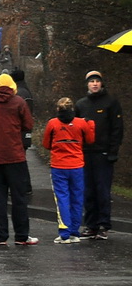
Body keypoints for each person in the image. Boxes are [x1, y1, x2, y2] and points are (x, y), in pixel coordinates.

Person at [0, 74, 38, 246]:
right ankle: (21, 236)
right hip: (15, 157)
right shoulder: (19, 102)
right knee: (19, 198)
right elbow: (28, 125)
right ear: (13, 87)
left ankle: (0, 237)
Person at [75, 71, 124, 240]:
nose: (95, 84)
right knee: (88, 191)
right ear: (87, 84)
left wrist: (113, 151)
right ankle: (91, 225)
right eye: (92, 81)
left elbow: (117, 128)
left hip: (103, 154)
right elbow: (75, 129)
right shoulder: (81, 104)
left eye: (97, 81)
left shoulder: (111, 103)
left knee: (102, 191)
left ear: (102, 83)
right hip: (85, 153)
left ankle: (104, 225)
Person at [42, 97, 95, 244]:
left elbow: (46, 144)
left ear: (58, 109)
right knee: (77, 198)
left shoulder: (53, 123)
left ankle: (64, 233)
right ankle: (74, 232)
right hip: (77, 165)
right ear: (72, 109)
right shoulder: (81, 123)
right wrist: (91, 124)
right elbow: (90, 140)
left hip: (59, 166)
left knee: (62, 198)